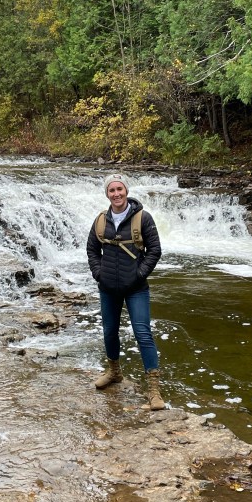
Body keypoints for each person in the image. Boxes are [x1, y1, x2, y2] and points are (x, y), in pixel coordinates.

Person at [86, 173, 165, 410]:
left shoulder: (143, 218)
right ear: (107, 194)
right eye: (112, 190)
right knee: (110, 331)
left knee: (143, 333)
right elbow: (92, 250)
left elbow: (155, 250)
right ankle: (114, 372)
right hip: (108, 287)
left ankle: (154, 390)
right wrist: (99, 274)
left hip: (136, 288)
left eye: (120, 189)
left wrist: (139, 274)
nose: (116, 194)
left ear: (126, 191)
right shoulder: (101, 220)